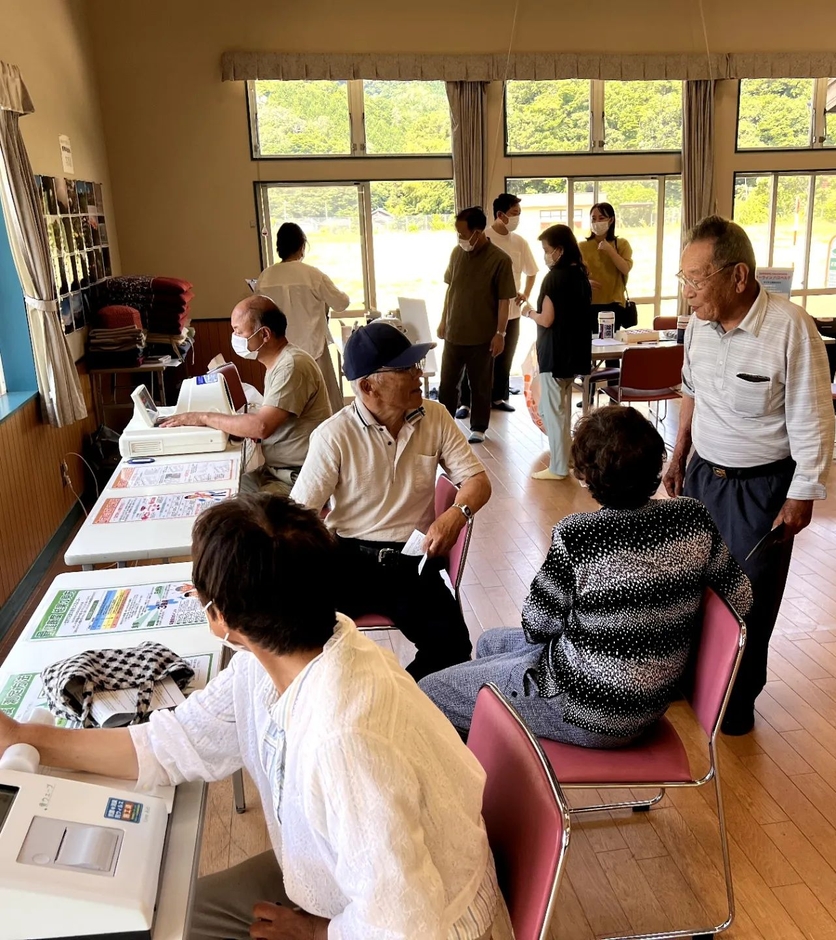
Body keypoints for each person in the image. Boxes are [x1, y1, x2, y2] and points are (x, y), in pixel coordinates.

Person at [0, 494, 510, 940]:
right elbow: (171, 744)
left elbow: (404, 926)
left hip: (428, 921)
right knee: (171, 917)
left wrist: (317, 933)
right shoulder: (285, 657)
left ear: (221, 619)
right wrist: (26, 737)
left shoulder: (343, 737)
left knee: (167, 920)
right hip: (355, 883)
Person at [419, 406, 752, 746]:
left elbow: (538, 626)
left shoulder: (579, 535)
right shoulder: (692, 517)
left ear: (588, 477)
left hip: (587, 709)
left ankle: (493, 777)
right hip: (654, 700)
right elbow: (741, 596)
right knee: (490, 643)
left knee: (429, 692)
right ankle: (503, 755)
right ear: (657, 462)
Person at [663, 215, 834, 736]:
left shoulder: (789, 327)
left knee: (747, 598)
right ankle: (689, 681)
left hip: (762, 487)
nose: (689, 292)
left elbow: (812, 416)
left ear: (738, 276)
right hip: (702, 478)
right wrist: (679, 452)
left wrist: (802, 492)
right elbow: (691, 390)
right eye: (683, 279)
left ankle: (735, 701)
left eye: (698, 278)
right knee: (690, 586)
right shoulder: (699, 327)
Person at [291, 320, 492, 680]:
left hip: (411, 561)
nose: (419, 374)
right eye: (404, 369)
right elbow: (297, 515)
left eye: (415, 365)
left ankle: (399, 700)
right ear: (368, 386)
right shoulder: (334, 435)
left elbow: (477, 481)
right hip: (347, 558)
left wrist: (454, 516)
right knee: (300, 642)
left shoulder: (436, 416)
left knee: (453, 649)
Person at [162, 295, 331, 496]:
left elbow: (261, 427)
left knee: (239, 514)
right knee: (218, 492)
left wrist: (202, 417)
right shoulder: (280, 363)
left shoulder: (291, 366)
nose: (235, 337)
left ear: (265, 334)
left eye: (238, 331)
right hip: (276, 470)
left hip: (296, 475)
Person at [437, 206, 517, 444]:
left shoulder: (500, 260)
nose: (460, 238)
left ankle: (479, 427)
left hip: (482, 336)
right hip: (454, 332)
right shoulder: (456, 253)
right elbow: (451, 290)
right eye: (458, 233)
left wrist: (500, 333)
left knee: (481, 384)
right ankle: (444, 424)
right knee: (447, 383)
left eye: (463, 233)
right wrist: (443, 320)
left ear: (478, 231)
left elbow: (505, 301)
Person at [456, 193, 538, 418]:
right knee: (476, 360)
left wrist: (525, 294)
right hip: (484, 313)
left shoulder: (519, 242)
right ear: (500, 215)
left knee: (505, 357)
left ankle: (498, 396)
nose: (517, 218)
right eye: (514, 213)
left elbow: (532, 271)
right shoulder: (483, 237)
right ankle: (465, 402)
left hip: (511, 312)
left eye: (519, 214)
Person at [255, 221, 350, 413]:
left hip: (279, 352)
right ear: (302, 246)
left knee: (281, 405)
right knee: (322, 407)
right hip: (313, 350)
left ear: (279, 247)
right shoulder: (312, 274)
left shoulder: (265, 277)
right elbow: (341, 303)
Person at [524, 224, 592, 480]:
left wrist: (529, 312)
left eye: (546, 250)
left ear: (559, 250)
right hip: (574, 354)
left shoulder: (553, 278)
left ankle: (559, 467)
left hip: (554, 354)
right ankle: (569, 459)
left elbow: (547, 319)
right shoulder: (581, 276)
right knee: (561, 411)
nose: (545, 255)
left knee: (551, 412)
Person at [579, 202, 636, 333]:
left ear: (611, 220)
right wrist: (584, 282)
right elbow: (574, 274)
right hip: (588, 303)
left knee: (610, 342)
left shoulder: (622, 244)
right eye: (593, 218)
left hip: (613, 304)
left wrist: (610, 250)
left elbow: (625, 269)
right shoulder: (582, 246)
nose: (597, 222)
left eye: (601, 218)